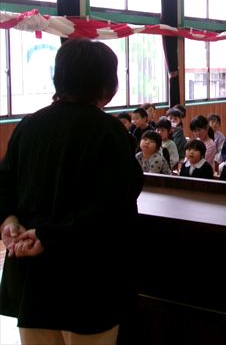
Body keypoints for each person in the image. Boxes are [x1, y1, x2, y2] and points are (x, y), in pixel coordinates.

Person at [0, 38, 143, 344]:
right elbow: (112, 207)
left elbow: (4, 184)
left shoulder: (28, 126)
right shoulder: (108, 132)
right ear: (107, 85)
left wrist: (9, 221)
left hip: (33, 277)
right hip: (87, 279)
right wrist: (48, 236)